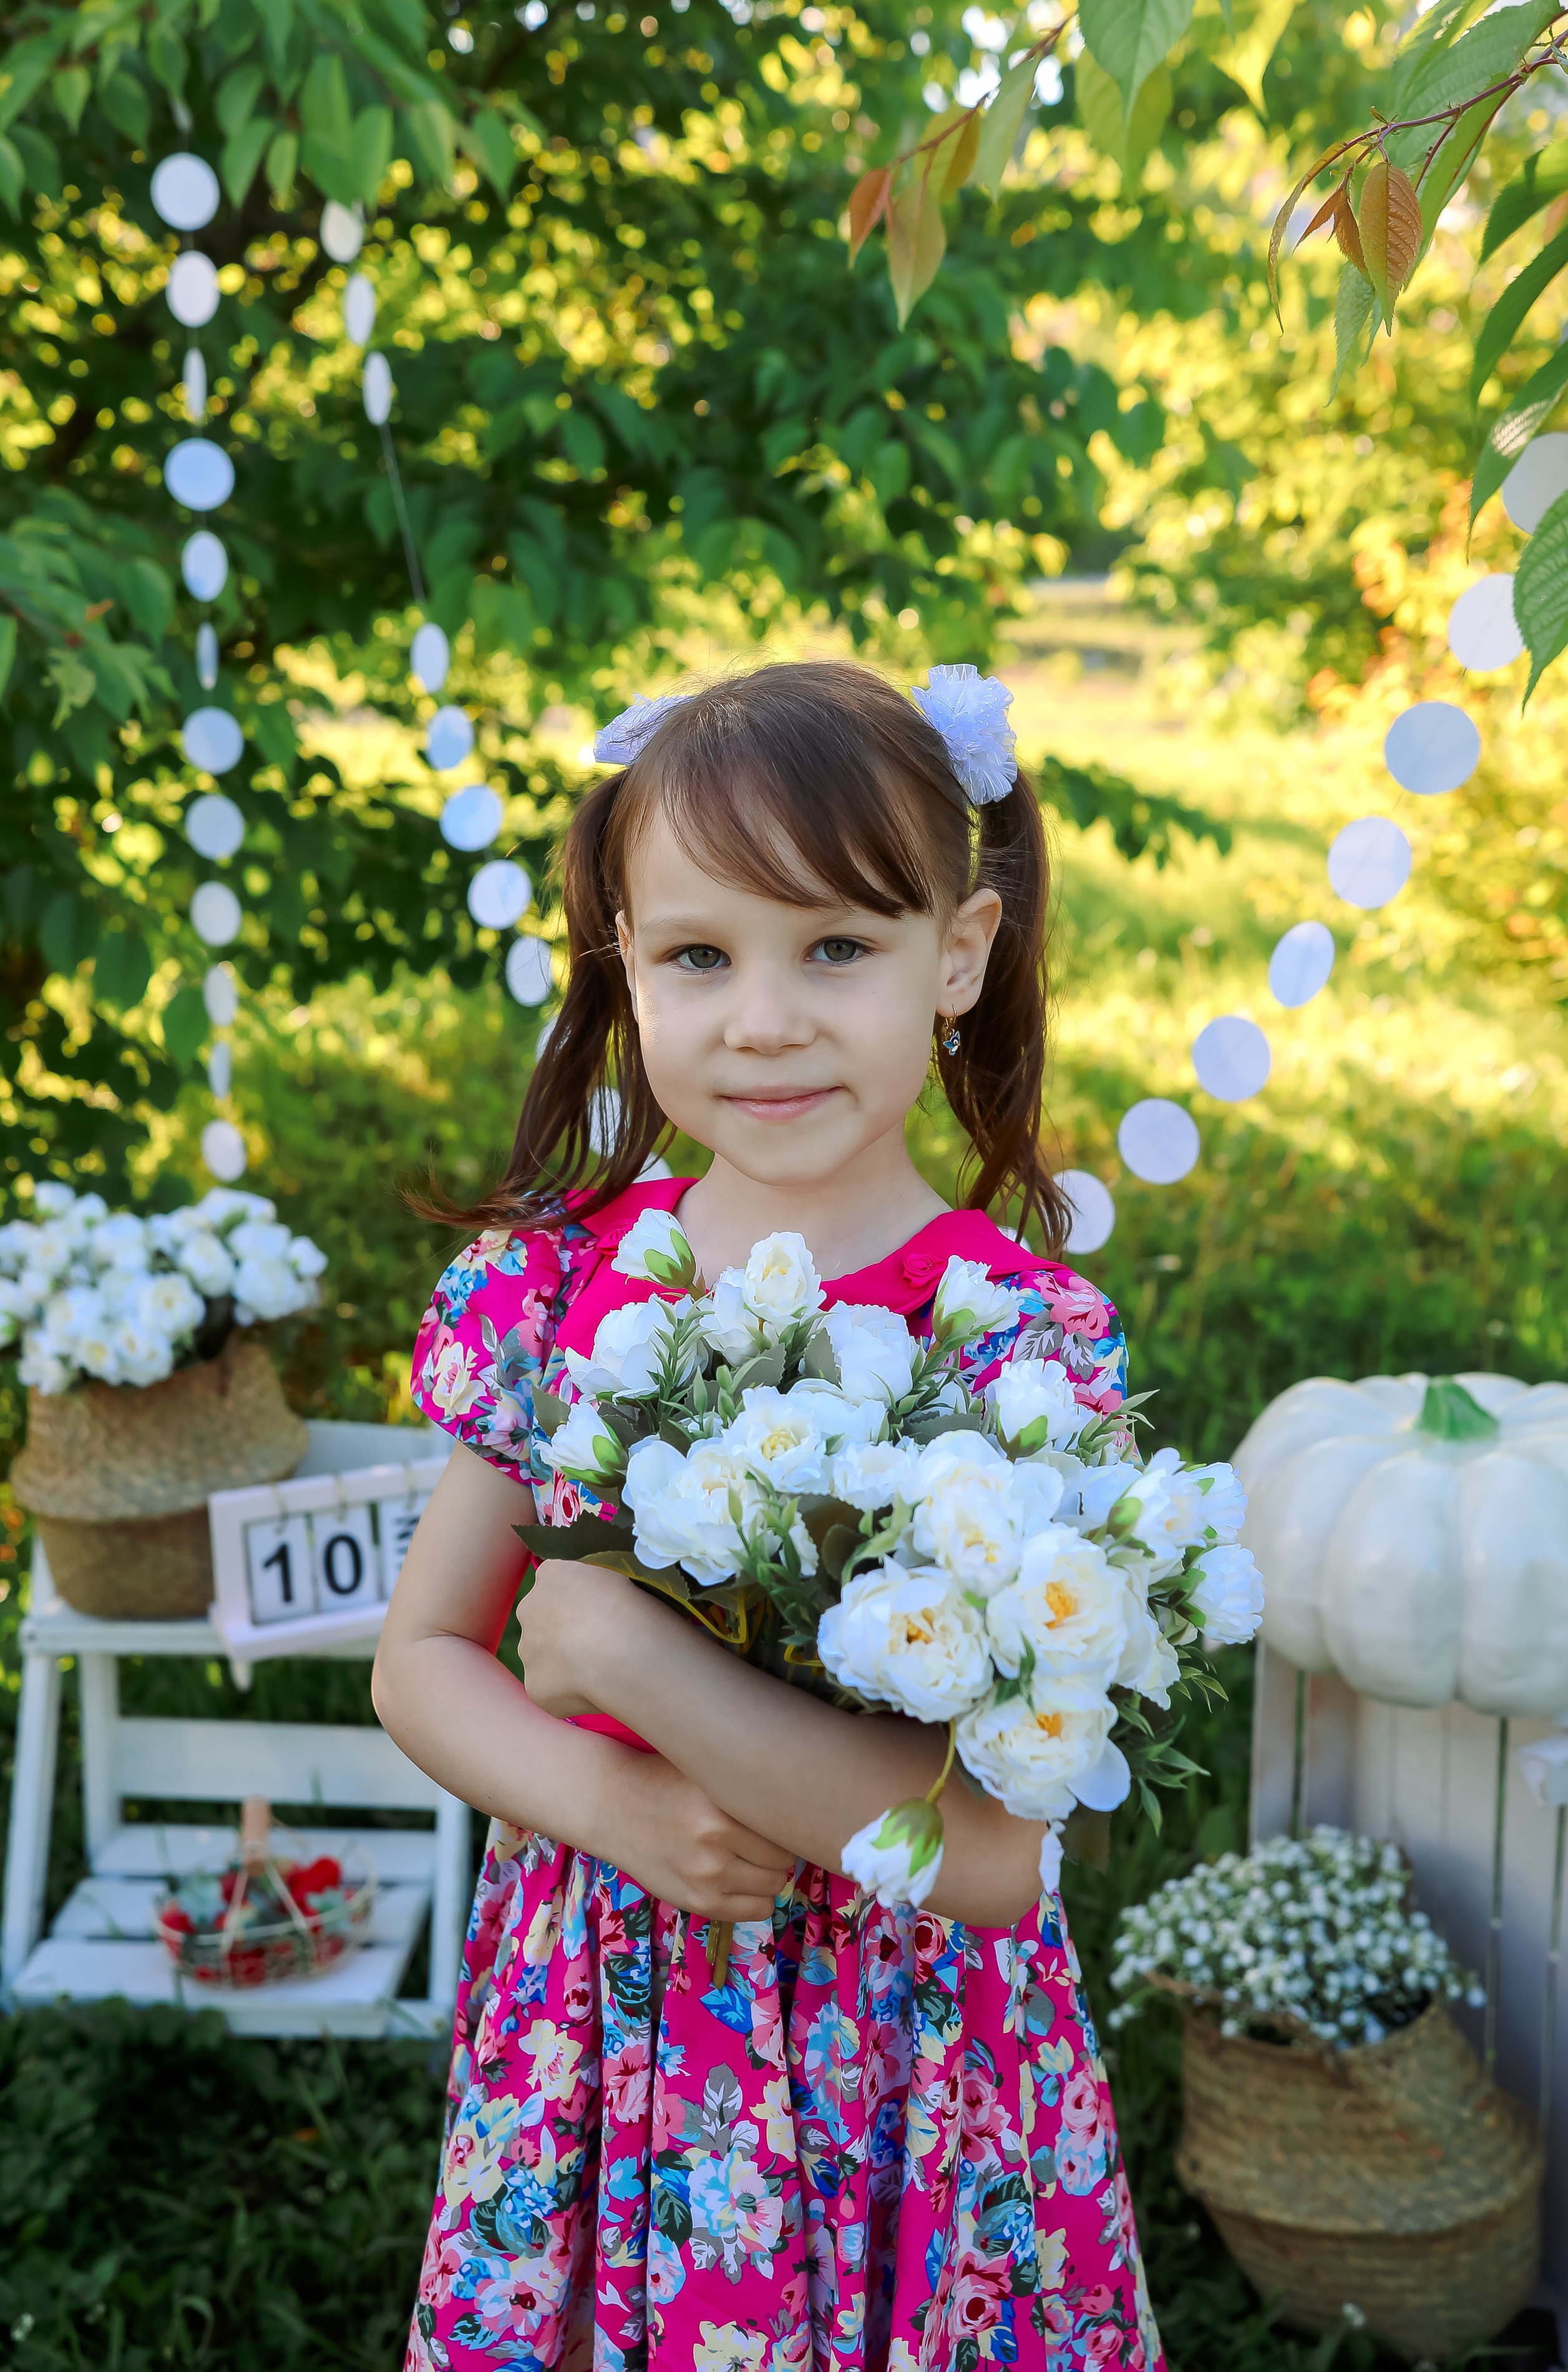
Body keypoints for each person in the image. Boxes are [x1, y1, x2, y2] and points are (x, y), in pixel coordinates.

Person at [374, 659, 1164, 2372]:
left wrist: (628, 1666)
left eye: (836, 949)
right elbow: (422, 1660)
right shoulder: (558, 1297)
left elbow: (991, 1861)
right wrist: (609, 1800)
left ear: (958, 954)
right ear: (624, 963)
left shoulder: (1011, 1351)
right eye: (698, 957)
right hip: (610, 2038)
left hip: (911, 2062)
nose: (764, 1020)